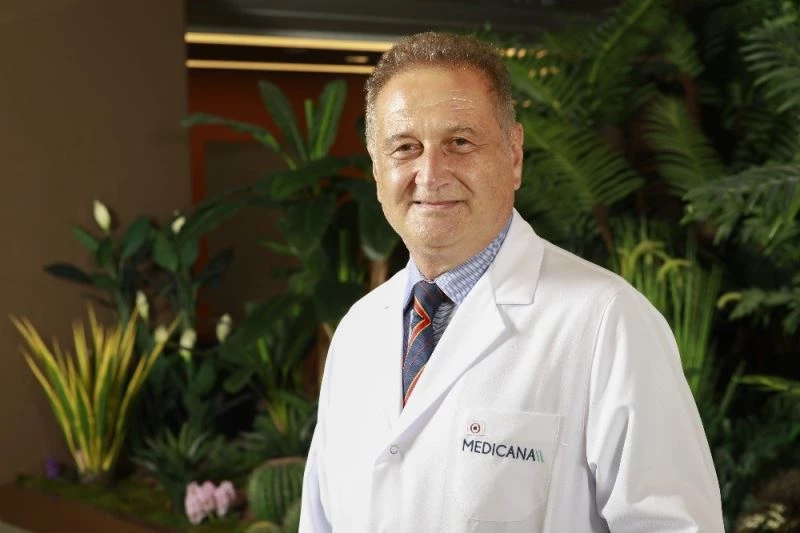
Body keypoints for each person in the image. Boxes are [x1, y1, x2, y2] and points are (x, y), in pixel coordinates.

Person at [299, 32, 724, 532]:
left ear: (514, 155)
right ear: (377, 168)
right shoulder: (356, 331)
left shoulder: (608, 322)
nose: (430, 174)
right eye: (405, 147)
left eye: (460, 142)